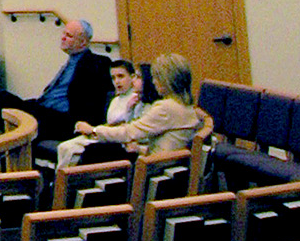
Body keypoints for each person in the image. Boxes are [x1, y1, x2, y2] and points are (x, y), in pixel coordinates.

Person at [66, 51, 201, 163]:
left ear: (165, 80)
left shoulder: (166, 108)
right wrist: (139, 149)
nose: (153, 82)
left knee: (94, 152)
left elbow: (129, 133)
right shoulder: (186, 105)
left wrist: (93, 130)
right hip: (164, 166)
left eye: (156, 77)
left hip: (153, 170)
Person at [0, 18, 113, 140]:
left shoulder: (96, 63)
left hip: (60, 118)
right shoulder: (71, 62)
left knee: (8, 110)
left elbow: (89, 104)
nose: (63, 38)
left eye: (69, 36)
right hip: (42, 107)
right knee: (0, 96)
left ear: (83, 42)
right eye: (64, 33)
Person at [54, 56, 141, 168]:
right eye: (113, 78)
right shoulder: (115, 100)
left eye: (121, 76)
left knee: (70, 149)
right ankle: (59, 181)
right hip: (104, 132)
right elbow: (110, 123)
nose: (117, 82)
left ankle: (67, 180)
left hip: (117, 139)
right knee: (63, 147)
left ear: (132, 77)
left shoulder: (135, 98)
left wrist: (93, 130)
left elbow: (127, 126)